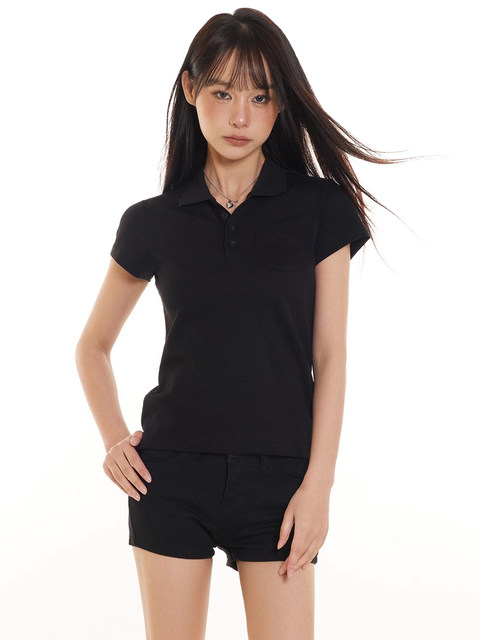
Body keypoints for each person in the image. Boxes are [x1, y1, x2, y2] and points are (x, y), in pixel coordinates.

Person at [75, 8, 405, 639]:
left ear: (280, 105)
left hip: (281, 481)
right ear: (190, 89)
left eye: (260, 96)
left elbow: (331, 356)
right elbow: (92, 345)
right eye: (223, 93)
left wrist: (318, 486)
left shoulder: (319, 209)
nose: (240, 117)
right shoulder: (152, 222)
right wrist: (115, 439)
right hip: (170, 475)